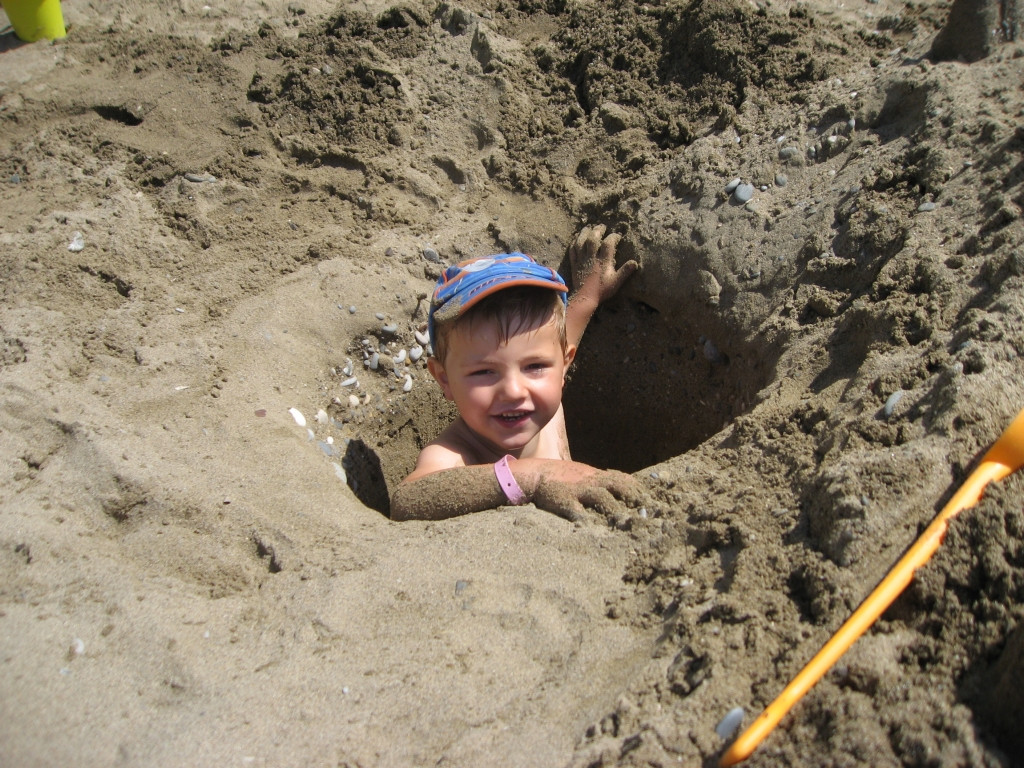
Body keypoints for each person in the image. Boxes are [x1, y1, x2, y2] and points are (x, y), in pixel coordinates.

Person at [389, 225, 639, 521]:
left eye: (534, 366)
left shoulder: (546, 388)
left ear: (563, 366)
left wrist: (587, 296)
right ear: (444, 379)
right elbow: (408, 499)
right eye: (484, 371)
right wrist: (534, 477)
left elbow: (559, 342)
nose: (514, 390)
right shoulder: (453, 454)